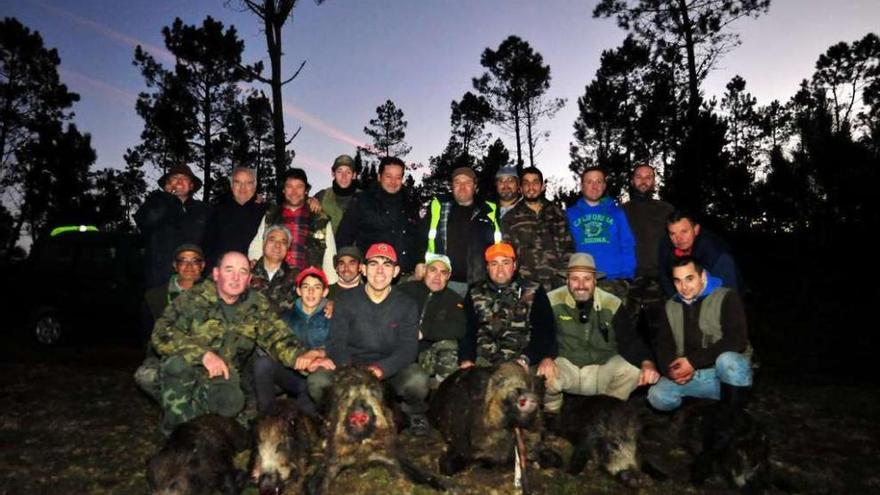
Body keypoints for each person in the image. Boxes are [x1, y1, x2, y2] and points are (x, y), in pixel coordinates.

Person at [151, 251, 319, 434]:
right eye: (229, 270)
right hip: (188, 369)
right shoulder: (191, 299)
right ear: (216, 274)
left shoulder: (255, 304)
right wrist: (203, 355)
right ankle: (175, 433)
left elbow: (277, 337)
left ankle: (198, 418)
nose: (235, 277)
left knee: (232, 403)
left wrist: (304, 357)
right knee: (175, 366)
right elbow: (162, 333)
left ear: (249, 279)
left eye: (243, 272)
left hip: (224, 375)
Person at [306, 243, 430, 435]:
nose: (380, 271)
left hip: (389, 369)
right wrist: (353, 371)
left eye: (387, 265)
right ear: (363, 269)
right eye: (373, 264)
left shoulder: (407, 305)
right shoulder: (346, 301)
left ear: (396, 271)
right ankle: (330, 417)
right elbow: (335, 342)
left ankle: (414, 414)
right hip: (351, 367)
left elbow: (408, 349)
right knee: (318, 381)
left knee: (417, 380)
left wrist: (382, 369)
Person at [542, 253, 658, 412]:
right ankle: (551, 413)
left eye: (587, 279)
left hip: (601, 369)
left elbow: (630, 340)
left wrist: (647, 362)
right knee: (545, 372)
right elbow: (541, 335)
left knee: (633, 371)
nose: (581, 285)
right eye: (575, 279)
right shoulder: (551, 301)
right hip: (567, 366)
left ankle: (607, 411)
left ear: (595, 281)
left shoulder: (612, 304)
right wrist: (546, 357)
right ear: (567, 280)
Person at [647, 257, 752, 412]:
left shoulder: (726, 297)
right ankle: (695, 413)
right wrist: (673, 371)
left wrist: (692, 361)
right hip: (693, 376)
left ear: (703, 276)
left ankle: (734, 414)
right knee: (657, 395)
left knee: (729, 360)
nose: (683, 287)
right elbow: (664, 345)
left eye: (689, 279)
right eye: (677, 281)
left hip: (723, 373)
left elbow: (737, 340)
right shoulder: (671, 306)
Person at [458, 243, 557, 376]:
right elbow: (467, 330)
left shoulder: (534, 290)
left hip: (522, 361)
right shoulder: (475, 292)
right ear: (487, 267)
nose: (500, 270)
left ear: (514, 265)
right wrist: (467, 359)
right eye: (494, 264)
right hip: (483, 362)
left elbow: (545, 331)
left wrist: (527, 358)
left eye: (505, 263)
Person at [252, 267, 330, 415]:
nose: (311, 292)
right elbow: (271, 346)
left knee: (305, 415)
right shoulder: (286, 317)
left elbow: (344, 345)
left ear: (325, 292)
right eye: (306, 287)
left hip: (320, 376)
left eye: (316, 287)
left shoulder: (333, 315)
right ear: (299, 291)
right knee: (262, 363)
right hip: (293, 375)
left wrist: (318, 353)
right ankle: (267, 417)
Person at [134, 243, 206, 402]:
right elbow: (148, 334)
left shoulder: (213, 293)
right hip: (165, 354)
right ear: (175, 265)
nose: (189, 266)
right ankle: (173, 406)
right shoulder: (155, 296)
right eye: (183, 261)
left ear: (202, 266)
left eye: (194, 261)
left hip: (203, 354)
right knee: (145, 376)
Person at [415, 166, 501, 295]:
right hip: (442, 282)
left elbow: (498, 246)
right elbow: (420, 238)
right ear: (452, 186)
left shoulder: (489, 211)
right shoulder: (438, 207)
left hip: (479, 284)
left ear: (475, 187)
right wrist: (419, 261)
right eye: (457, 182)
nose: (462, 186)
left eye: (467, 182)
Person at [248, 168, 337, 283]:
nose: (294, 192)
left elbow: (330, 253)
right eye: (289, 186)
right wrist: (255, 263)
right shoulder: (271, 216)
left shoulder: (320, 219)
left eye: (299, 187)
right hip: (274, 285)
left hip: (307, 287)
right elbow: (257, 245)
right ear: (283, 190)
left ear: (306, 190)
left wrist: (329, 283)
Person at [336, 156, 421, 274]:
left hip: (405, 276)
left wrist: (420, 262)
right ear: (379, 176)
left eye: (398, 177)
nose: (393, 182)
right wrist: (349, 267)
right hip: (373, 277)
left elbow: (420, 238)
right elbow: (343, 237)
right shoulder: (362, 201)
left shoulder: (411, 204)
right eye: (388, 176)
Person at [566, 166, 636, 300]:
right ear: (582, 186)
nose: (594, 186)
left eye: (599, 182)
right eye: (589, 182)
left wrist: (628, 276)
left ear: (604, 186)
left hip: (614, 280)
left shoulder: (617, 213)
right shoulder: (570, 214)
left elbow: (627, 244)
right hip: (582, 282)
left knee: (615, 320)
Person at [134, 163, 209, 288]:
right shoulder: (154, 203)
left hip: (194, 280)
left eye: (184, 178)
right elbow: (146, 221)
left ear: (191, 186)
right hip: (160, 278)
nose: (179, 181)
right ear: (166, 185)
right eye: (174, 178)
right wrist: (168, 198)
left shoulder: (204, 210)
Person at [501, 166, 574, 292]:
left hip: (558, 285)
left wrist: (567, 278)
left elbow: (568, 249)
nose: (531, 187)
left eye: (535, 182)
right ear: (520, 188)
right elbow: (507, 255)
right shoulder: (510, 218)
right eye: (526, 183)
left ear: (542, 186)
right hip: (526, 287)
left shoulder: (558, 213)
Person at [398, 253, 466, 384]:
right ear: (425, 271)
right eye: (433, 270)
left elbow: (459, 328)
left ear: (448, 276)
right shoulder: (403, 291)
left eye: (443, 272)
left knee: (450, 347)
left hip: (428, 354)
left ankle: (442, 393)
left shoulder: (455, 300)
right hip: (399, 349)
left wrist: (423, 332)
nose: (437, 276)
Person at [658, 211, 742, 297]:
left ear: (696, 230)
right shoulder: (666, 245)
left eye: (684, 232)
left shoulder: (714, 250)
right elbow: (665, 277)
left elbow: (728, 292)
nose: (678, 239)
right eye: (672, 234)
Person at [202, 167, 267, 268]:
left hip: (256, 277)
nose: (242, 187)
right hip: (222, 275)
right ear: (231, 185)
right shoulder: (215, 212)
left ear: (255, 186)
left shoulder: (266, 213)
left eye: (248, 183)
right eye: (238, 182)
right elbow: (206, 247)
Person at [249, 225, 297, 312]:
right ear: (263, 243)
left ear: (288, 247)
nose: (278, 245)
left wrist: (327, 304)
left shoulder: (297, 277)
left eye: (283, 242)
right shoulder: (246, 272)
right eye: (272, 240)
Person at [309, 154, 360, 233]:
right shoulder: (323, 195)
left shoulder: (364, 198)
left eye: (348, 172)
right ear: (333, 174)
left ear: (354, 175)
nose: (344, 176)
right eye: (339, 172)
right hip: (326, 244)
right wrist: (309, 200)